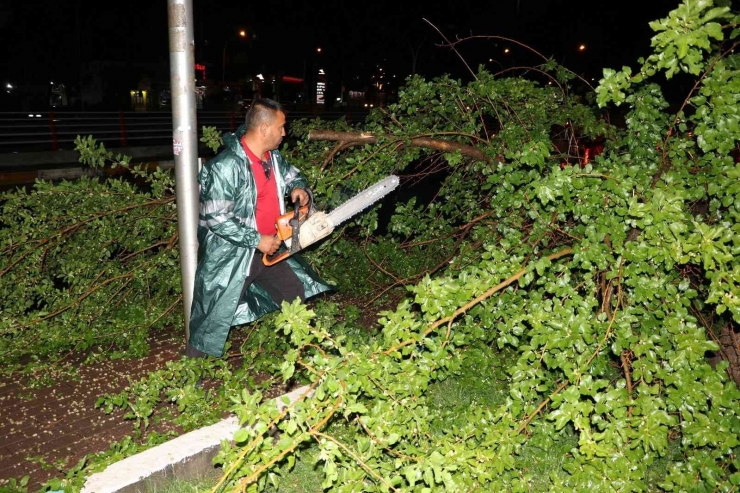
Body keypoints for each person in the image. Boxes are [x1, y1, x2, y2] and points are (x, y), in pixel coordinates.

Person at [186, 98, 332, 358]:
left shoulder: (273, 158)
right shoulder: (225, 167)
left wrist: (298, 188)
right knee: (213, 317)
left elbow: (293, 177)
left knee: (294, 294)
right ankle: (191, 378)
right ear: (264, 129)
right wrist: (256, 239)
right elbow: (215, 218)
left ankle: (305, 356)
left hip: (268, 250)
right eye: (281, 126)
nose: (284, 133)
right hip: (232, 256)